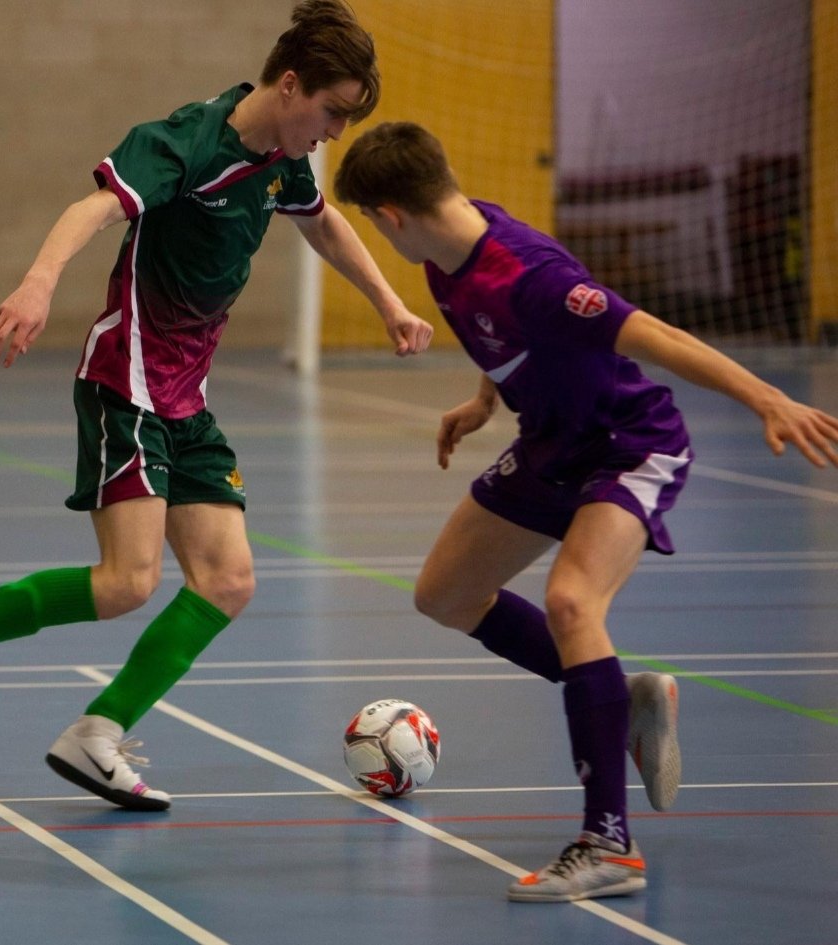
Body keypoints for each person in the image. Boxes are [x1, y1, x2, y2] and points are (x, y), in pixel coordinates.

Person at [0, 1, 434, 811]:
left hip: (185, 398)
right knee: (127, 581)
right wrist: (39, 281)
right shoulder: (185, 142)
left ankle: (97, 733)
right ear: (289, 86)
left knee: (228, 578)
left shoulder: (285, 158)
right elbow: (92, 209)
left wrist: (388, 301)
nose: (335, 131)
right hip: (126, 382)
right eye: (333, 111)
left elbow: (325, 227)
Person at [334, 121, 838, 902]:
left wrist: (769, 397)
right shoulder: (446, 253)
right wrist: (481, 400)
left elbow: (658, 335)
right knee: (444, 593)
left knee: (572, 601)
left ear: (390, 216)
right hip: (550, 443)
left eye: (371, 220)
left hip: (628, 443)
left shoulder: (533, 272)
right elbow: (498, 338)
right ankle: (624, 694)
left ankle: (609, 843)